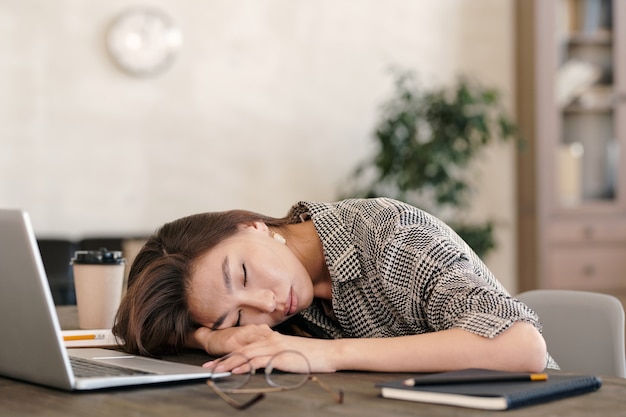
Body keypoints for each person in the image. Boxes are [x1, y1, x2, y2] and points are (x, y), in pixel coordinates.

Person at [113, 197, 557, 374]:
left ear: (251, 226)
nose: (268, 304)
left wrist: (326, 354)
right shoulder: (295, 284)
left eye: (244, 274)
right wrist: (210, 338)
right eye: (240, 316)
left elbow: (522, 347)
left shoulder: (389, 235)